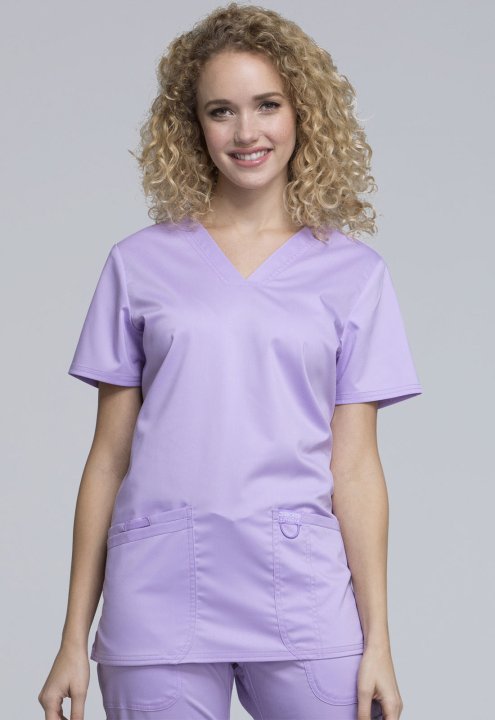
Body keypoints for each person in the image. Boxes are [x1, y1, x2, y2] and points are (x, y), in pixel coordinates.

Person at [38, 3, 423, 719]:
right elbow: (108, 460)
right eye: (222, 111)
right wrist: (70, 640)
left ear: (302, 112)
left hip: (304, 592)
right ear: (193, 126)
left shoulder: (353, 275)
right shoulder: (138, 265)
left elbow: (355, 467)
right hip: (158, 596)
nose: (247, 132)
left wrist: (378, 641)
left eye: (267, 105)